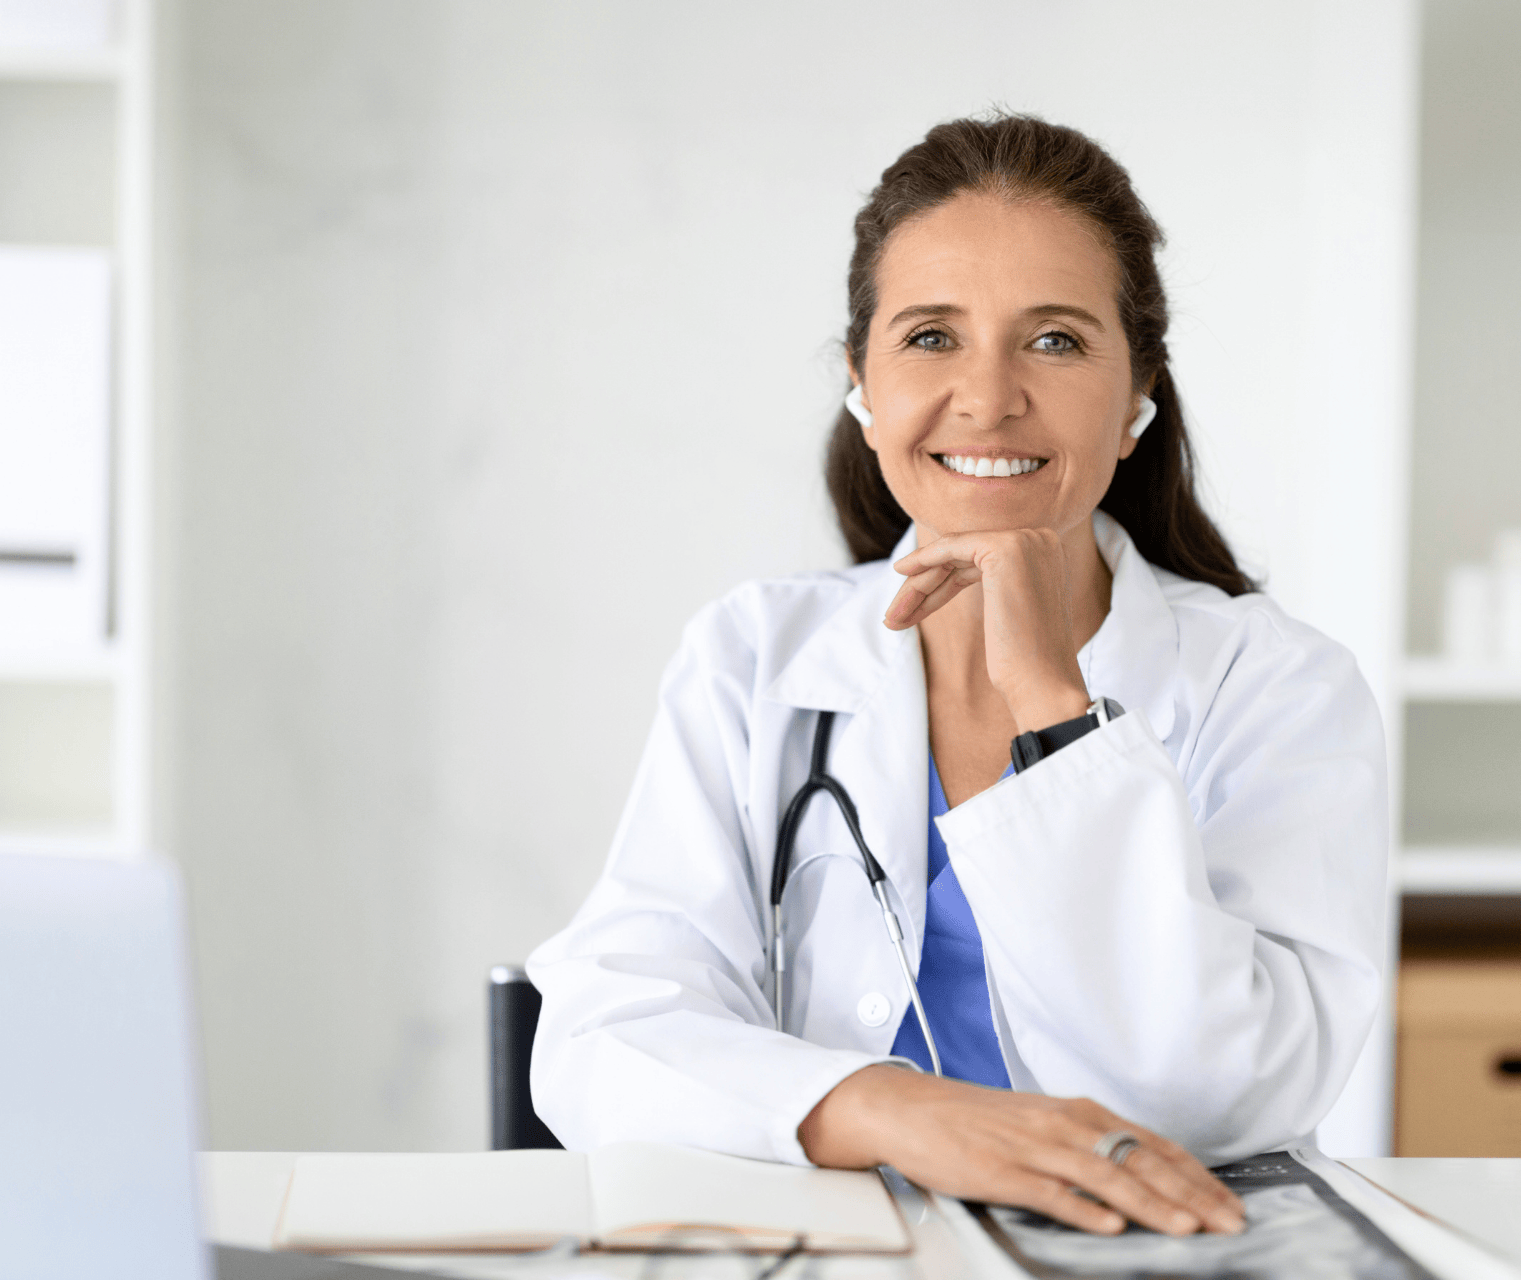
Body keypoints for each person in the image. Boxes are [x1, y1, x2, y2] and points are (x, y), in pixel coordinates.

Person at [528, 113, 1387, 1238]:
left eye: (1056, 341)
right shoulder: (752, 657)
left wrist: (1052, 704)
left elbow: (1217, 1098)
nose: (987, 398)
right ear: (862, 384)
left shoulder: (1277, 688)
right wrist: (891, 1108)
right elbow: (603, 1034)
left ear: (1137, 399)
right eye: (932, 337)